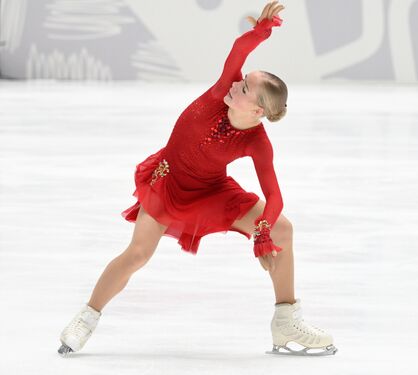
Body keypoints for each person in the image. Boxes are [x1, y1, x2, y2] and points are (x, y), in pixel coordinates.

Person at [58, 1, 337, 357]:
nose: (239, 81)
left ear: (257, 110)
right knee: (137, 254)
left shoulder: (257, 143)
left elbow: (274, 195)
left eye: (246, 87)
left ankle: (286, 320)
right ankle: (87, 317)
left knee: (284, 229)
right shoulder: (222, 91)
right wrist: (261, 32)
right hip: (168, 184)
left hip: (211, 190)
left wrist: (264, 232)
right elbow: (238, 51)